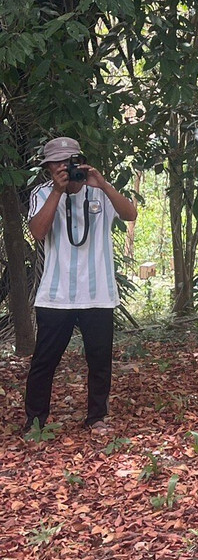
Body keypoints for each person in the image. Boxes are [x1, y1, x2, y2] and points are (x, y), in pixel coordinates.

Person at [23, 136, 138, 434]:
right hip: (56, 295)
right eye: (58, 162)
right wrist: (58, 192)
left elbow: (130, 214)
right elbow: (38, 232)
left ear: (80, 160)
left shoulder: (99, 193)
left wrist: (104, 185)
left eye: (70, 160)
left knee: (99, 361)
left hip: (98, 293)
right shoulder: (42, 193)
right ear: (48, 167)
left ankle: (96, 417)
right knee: (44, 361)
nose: (65, 166)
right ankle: (35, 421)